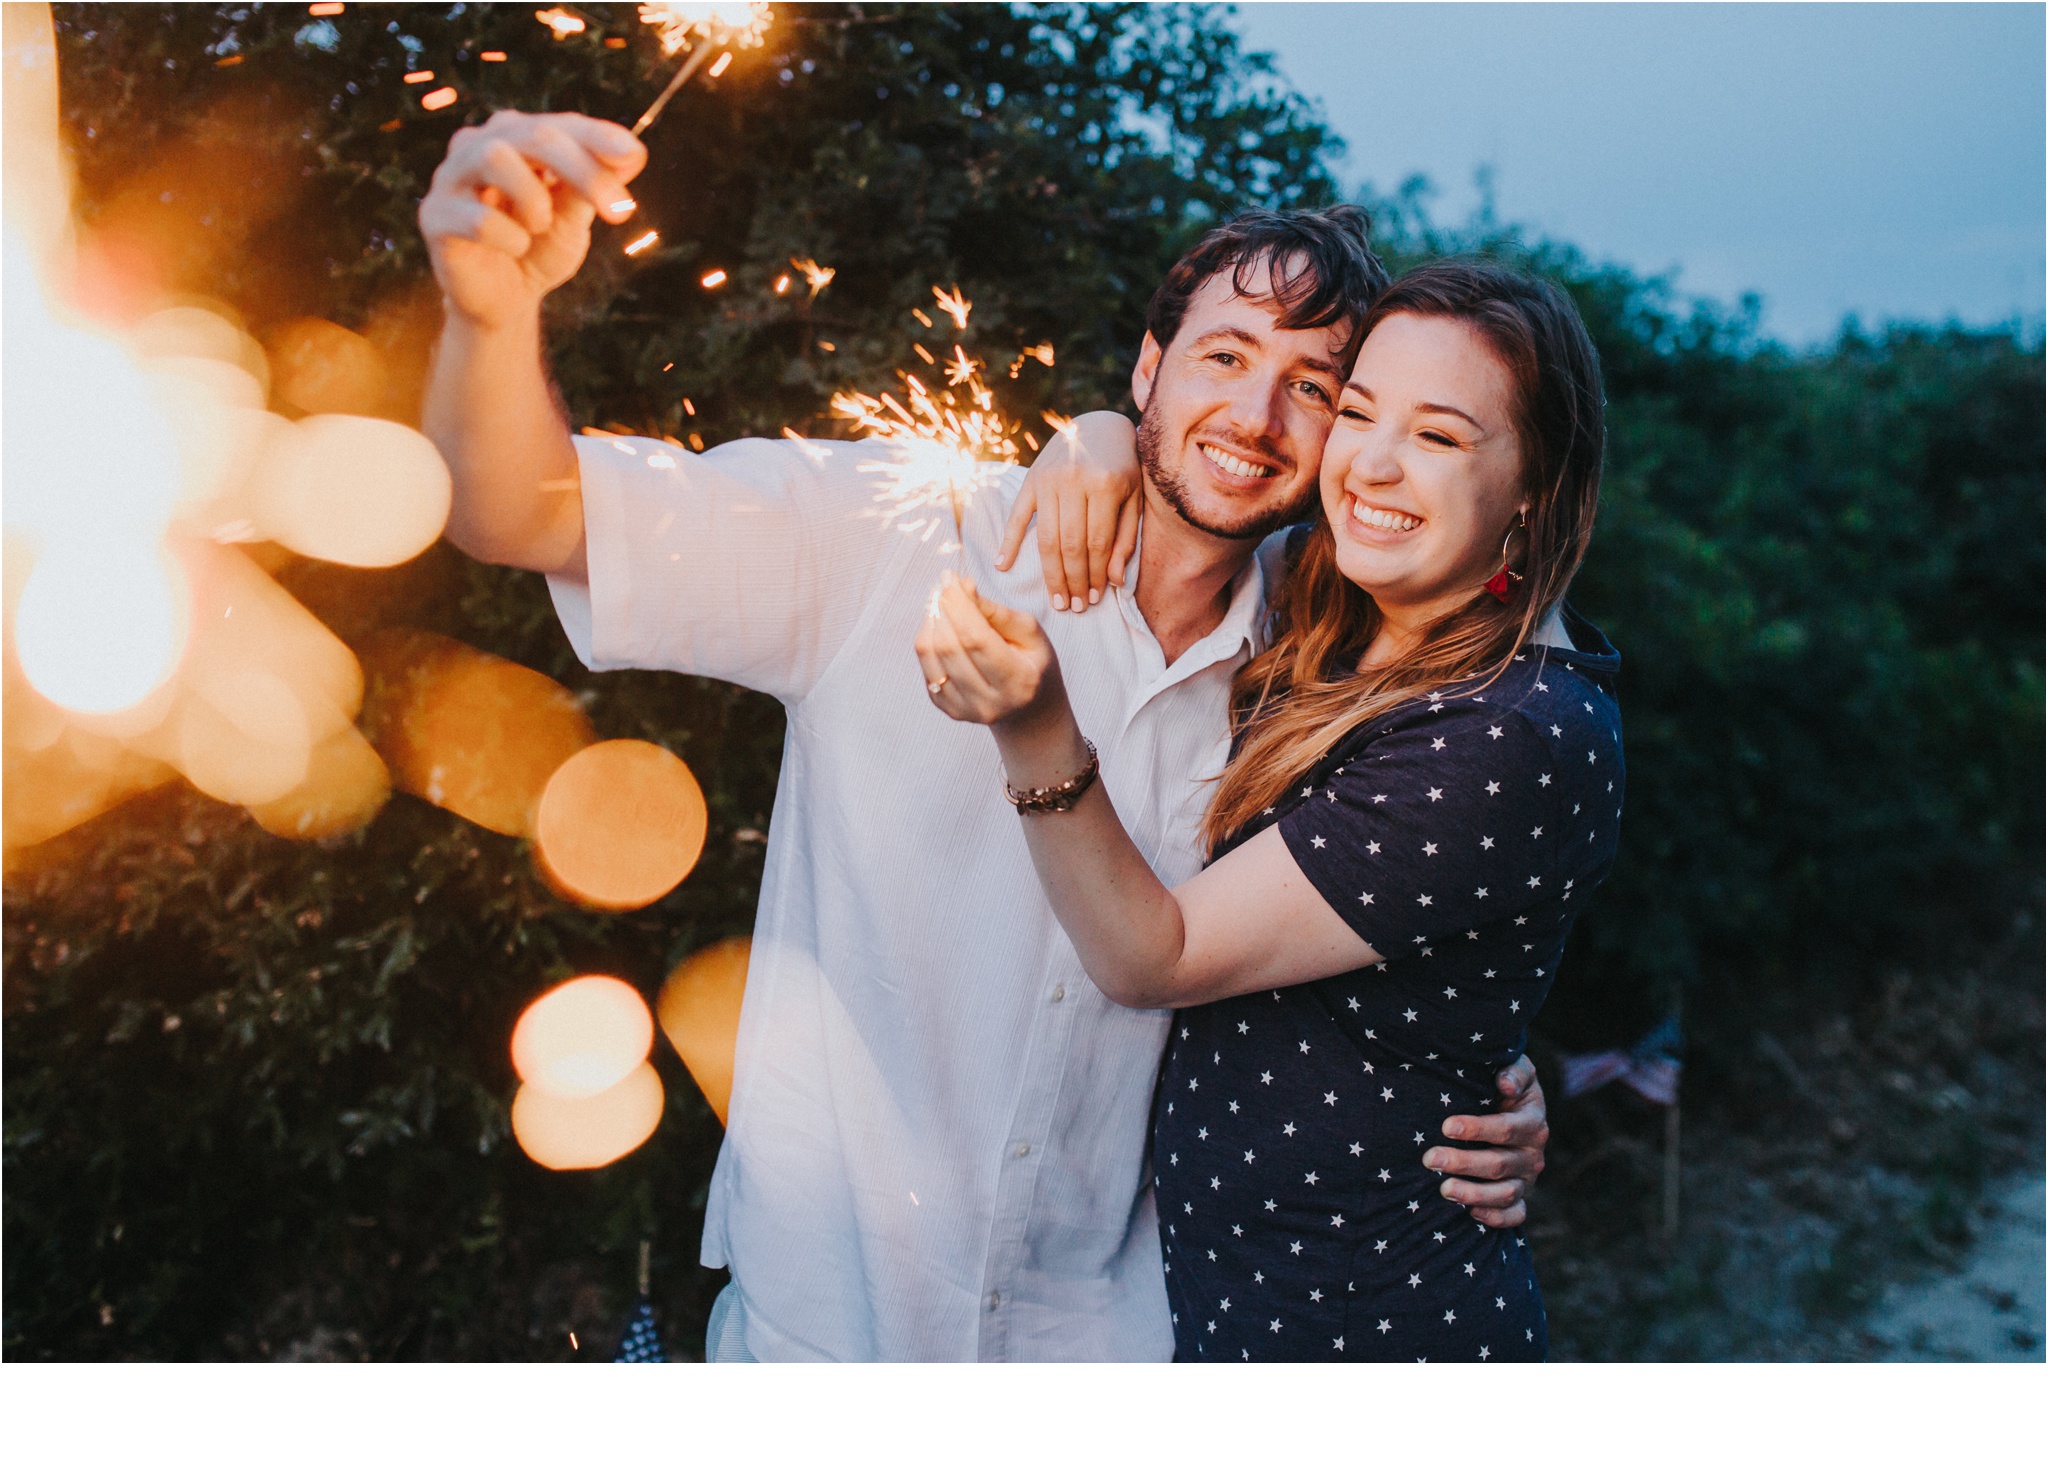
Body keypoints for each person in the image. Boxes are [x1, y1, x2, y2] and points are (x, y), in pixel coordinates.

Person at [416, 108, 1551, 1362]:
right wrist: (486, 315)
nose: (1255, 413)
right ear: (1142, 370)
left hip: (1106, 1353)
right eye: (1222, 357)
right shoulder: (897, 535)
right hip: (818, 1337)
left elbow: (1446, 845)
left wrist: (1472, 1077)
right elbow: (515, 511)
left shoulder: (1323, 665)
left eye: (1312, 388)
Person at [920, 259, 1620, 1361]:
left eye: (1438, 436)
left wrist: (1036, 727)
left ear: (1532, 485)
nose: (1372, 464)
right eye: (1354, 412)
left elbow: (1152, 956)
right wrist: (1104, 430)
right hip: (1223, 1313)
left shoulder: (1514, 731)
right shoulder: (1328, 600)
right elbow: (1202, 483)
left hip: (1363, 1330)